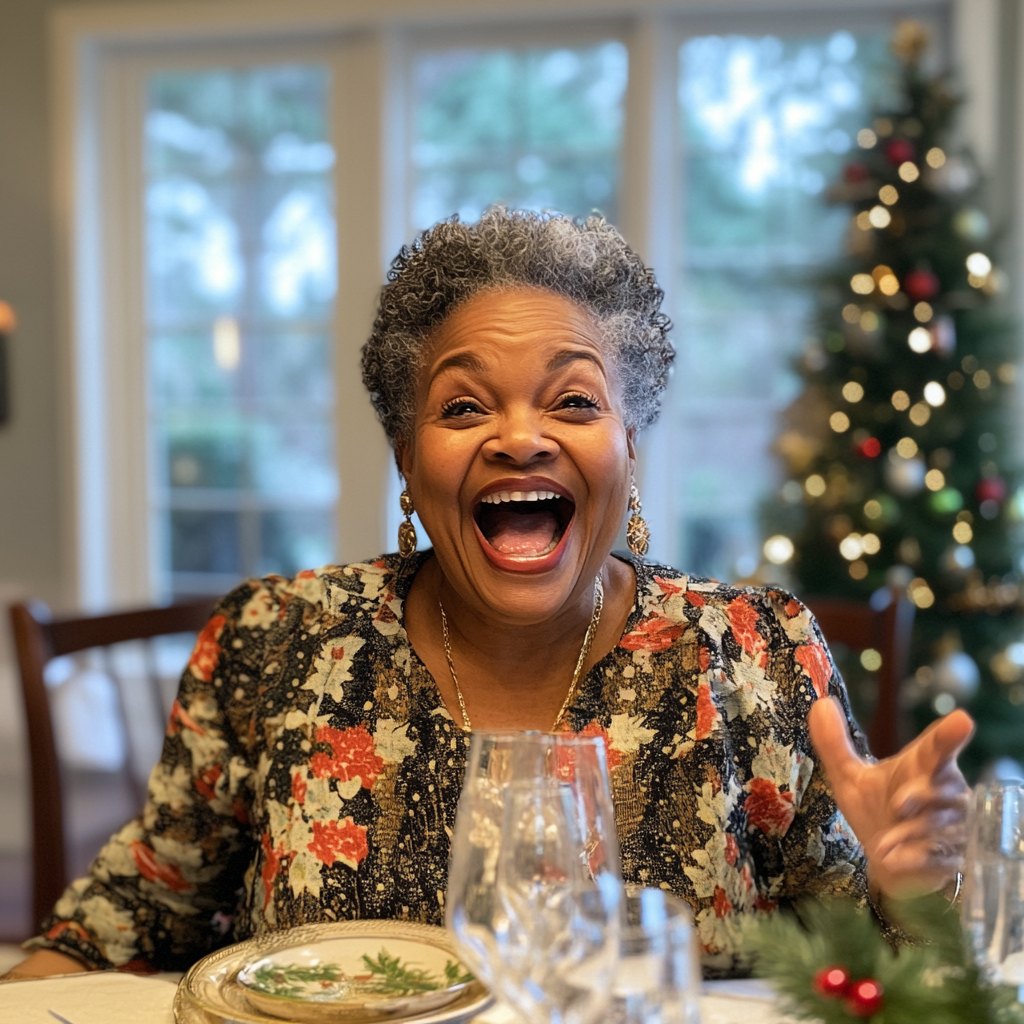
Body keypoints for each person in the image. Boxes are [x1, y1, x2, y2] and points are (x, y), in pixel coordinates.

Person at [11, 209, 971, 981]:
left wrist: (910, 885)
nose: (519, 438)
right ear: (406, 457)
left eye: (574, 400)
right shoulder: (273, 641)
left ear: (631, 450)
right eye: (463, 406)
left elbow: (876, 977)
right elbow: (122, 924)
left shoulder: (759, 652)